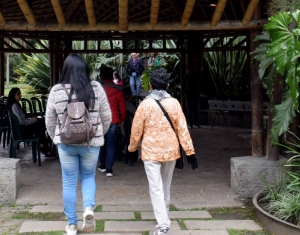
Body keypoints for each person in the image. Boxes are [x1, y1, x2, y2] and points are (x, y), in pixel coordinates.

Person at [45, 54, 112, 235]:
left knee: (68, 182)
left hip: (66, 143)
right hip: (91, 143)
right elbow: (107, 117)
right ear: (85, 69)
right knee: (88, 177)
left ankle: (72, 225)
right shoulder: (96, 88)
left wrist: (56, 137)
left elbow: (50, 121)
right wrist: (98, 134)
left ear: (64, 69)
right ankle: (88, 208)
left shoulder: (56, 91)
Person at [128, 68, 198, 235]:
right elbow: (183, 129)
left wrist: (131, 149)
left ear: (150, 85)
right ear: (167, 85)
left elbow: (136, 130)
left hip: (150, 152)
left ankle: (163, 225)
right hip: (171, 151)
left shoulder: (145, 105)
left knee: (156, 188)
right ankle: (163, 217)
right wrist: (190, 152)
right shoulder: (174, 103)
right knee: (165, 186)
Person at [6, 87, 55, 159]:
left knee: (40, 123)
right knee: (40, 125)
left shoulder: (15, 105)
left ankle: (43, 144)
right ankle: (45, 145)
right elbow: (21, 121)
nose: (20, 96)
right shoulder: (14, 106)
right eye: (18, 94)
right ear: (13, 95)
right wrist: (32, 121)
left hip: (21, 129)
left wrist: (32, 119)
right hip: (21, 131)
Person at [98, 66, 126, 177]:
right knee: (111, 143)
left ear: (101, 76)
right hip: (113, 119)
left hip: (99, 119)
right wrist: (122, 119)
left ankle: (102, 165)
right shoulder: (117, 90)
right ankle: (109, 168)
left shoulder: (97, 89)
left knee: (100, 142)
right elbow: (122, 108)